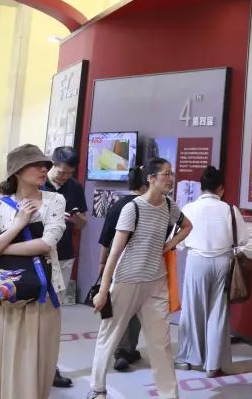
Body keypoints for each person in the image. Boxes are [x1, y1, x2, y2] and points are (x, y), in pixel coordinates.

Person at [0, 144, 66, 399]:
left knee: (38, 361)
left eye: (45, 165)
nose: (43, 169)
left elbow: (46, 243)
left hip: (43, 293)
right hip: (3, 296)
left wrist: (0, 248)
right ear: (17, 171)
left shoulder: (55, 200)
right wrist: (17, 225)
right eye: (35, 165)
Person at [88, 158, 192, 399]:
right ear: (151, 178)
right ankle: (97, 388)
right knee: (110, 335)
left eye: (171, 174)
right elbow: (115, 252)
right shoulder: (132, 208)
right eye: (165, 174)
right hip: (127, 279)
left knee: (161, 342)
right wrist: (103, 290)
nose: (170, 178)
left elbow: (187, 226)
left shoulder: (169, 205)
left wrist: (170, 244)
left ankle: (169, 395)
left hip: (156, 281)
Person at [176, 166, 246, 377]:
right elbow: (242, 240)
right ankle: (213, 365)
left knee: (192, 310)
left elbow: (179, 242)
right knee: (219, 313)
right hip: (223, 261)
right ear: (221, 188)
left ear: (201, 187)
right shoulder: (230, 210)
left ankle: (189, 358)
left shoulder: (189, 208)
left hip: (197, 260)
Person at [42, 147, 86, 389]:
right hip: (37, 256)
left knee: (54, 312)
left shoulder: (75, 188)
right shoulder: (38, 184)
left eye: (69, 173)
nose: (64, 177)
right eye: (61, 172)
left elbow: (83, 223)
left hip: (64, 256)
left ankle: (50, 367)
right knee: (32, 311)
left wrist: (75, 217)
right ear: (52, 165)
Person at [97, 167, 148, 373]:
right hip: (139, 264)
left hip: (116, 262)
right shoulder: (147, 206)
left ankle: (115, 349)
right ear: (146, 183)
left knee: (116, 306)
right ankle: (125, 350)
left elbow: (105, 239)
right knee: (134, 308)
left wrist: (102, 265)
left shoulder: (118, 205)